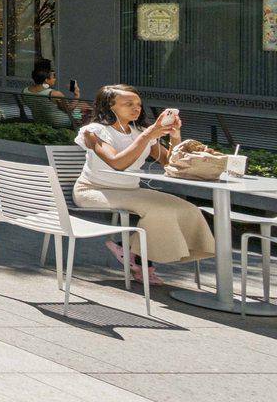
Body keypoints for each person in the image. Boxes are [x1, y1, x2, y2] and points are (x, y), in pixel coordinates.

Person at [74, 85, 215, 285]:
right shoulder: (93, 131)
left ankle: (128, 249)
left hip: (131, 191)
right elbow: (118, 163)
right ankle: (141, 263)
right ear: (109, 106)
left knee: (188, 208)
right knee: (157, 210)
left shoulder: (138, 131)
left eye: (138, 104)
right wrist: (148, 135)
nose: (136, 108)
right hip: (94, 190)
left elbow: (169, 162)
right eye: (128, 104)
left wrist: (175, 136)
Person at [20, 60, 76, 128]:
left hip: (40, 121)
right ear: (46, 80)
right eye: (53, 77)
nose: (55, 79)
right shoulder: (55, 94)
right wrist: (77, 94)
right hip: (59, 123)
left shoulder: (24, 91)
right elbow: (69, 109)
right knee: (83, 107)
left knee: (82, 107)